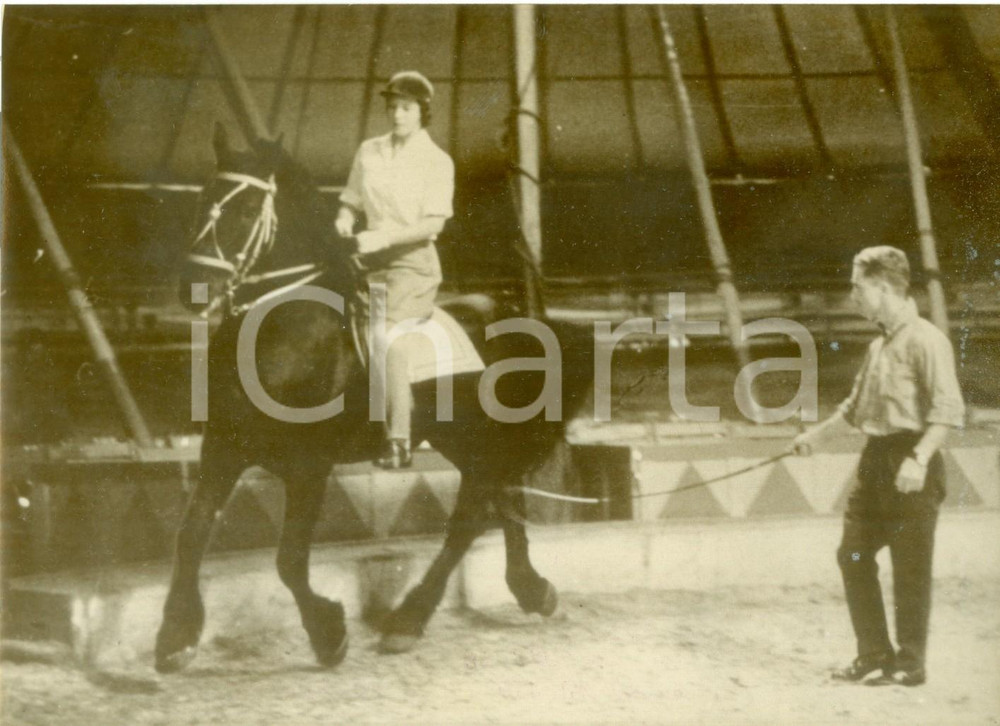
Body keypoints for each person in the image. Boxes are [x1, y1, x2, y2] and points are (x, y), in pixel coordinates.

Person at [792, 246, 965, 687]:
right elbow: (853, 409)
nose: (853, 297)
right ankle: (873, 655)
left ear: (884, 288)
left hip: (913, 461)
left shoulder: (927, 340)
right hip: (875, 462)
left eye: (857, 288)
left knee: (910, 568)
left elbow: (949, 411)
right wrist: (816, 436)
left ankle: (910, 664)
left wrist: (919, 459)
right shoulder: (877, 347)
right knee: (851, 555)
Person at [334, 70, 455, 469]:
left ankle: (398, 439)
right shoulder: (369, 150)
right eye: (392, 108)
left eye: (406, 108)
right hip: (366, 259)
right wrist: (344, 219)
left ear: (423, 111)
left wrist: (385, 239)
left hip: (411, 266)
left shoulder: (437, 160)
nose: (397, 115)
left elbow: (433, 224)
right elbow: (352, 198)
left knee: (386, 338)